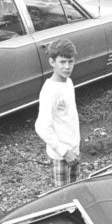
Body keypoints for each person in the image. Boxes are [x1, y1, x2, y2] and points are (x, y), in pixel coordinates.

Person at [35, 39, 81, 187]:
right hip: (61, 155)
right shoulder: (50, 91)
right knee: (63, 198)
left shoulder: (68, 82)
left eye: (70, 61)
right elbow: (42, 127)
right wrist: (64, 151)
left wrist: (74, 148)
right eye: (62, 62)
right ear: (52, 62)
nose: (67, 67)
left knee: (75, 192)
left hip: (74, 151)